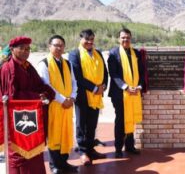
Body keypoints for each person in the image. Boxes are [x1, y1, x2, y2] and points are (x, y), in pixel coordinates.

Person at [0, 36, 55, 174]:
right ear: (12, 49)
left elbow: (39, 85)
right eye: (23, 48)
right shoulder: (8, 68)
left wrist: (47, 93)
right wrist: (36, 97)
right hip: (17, 122)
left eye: (28, 49)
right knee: (19, 156)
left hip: (32, 119)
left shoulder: (27, 66)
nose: (26, 51)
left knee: (34, 154)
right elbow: (11, 96)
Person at [38, 35, 78, 174]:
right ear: (49, 46)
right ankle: (54, 165)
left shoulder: (68, 64)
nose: (59, 47)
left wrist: (72, 97)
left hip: (67, 106)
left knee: (65, 134)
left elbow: (74, 82)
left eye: (61, 45)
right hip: (54, 105)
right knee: (54, 135)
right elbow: (46, 85)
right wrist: (63, 100)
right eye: (56, 45)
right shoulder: (44, 64)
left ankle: (64, 163)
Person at [68, 29, 108, 165]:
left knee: (92, 125)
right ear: (81, 39)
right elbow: (77, 77)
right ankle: (83, 152)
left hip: (96, 97)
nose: (90, 42)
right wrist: (94, 88)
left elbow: (105, 72)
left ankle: (91, 150)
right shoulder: (75, 54)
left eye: (92, 39)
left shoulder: (99, 54)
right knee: (81, 125)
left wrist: (103, 86)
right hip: (82, 96)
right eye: (87, 39)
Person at [107, 27, 144, 158]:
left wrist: (139, 86)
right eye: (123, 37)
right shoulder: (113, 53)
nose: (125, 40)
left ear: (131, 38)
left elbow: (141, 72)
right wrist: (126, 87)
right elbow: (113, 74)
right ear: (119, 39)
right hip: (119, 93)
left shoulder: (136, 53)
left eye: (127, 37)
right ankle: (118, 148)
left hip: (134, 92)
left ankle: (129, 146)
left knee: (131, 118)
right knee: (121, 120)